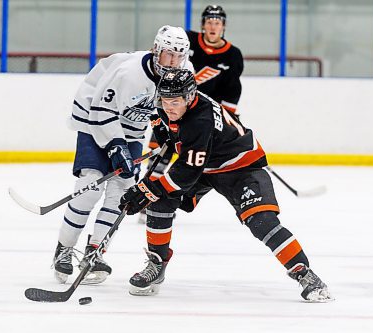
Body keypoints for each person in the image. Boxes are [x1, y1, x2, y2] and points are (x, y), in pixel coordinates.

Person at [120, 68, 332, 302]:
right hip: (206, 165)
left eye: (175, 102)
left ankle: (306, 275)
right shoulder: (168, 106)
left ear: (189, 97)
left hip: (241, 167)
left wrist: (149, 188)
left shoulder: (200, 119)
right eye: (165, 101)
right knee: (159, 200)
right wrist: (153, 182)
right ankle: (156, 265)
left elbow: (186, 171)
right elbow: (174, 143)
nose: (168, 107)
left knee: (261, 221)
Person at [53, 25, 192, 285]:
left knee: (121, 190)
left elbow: (181, 107)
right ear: (156, 50)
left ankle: (95, 252)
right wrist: (116, 146)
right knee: (90, 185)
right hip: (94, 119)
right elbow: (101, 110)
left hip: (133, 128)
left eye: (178, 55)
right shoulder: (130, 73)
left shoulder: (184, 73)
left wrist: (171, 130)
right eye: (168, 54)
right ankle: (63, 249)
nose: (173, 61)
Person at [139, 4, 243, 223]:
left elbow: (233, 88)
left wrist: (228, 115)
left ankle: (176, 196)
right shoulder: (188, 42)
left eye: (217, 22)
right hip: (174, 107)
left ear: (223, 27)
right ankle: (148, 197)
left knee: (191, 159)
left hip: (202, 117)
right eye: (209, 22)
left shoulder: (233, 55)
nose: (213, 26)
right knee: (162, 150)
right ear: (202, 25)